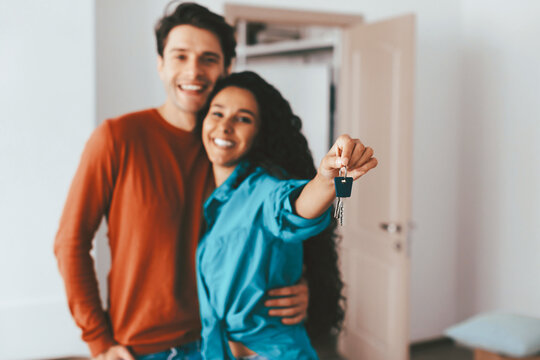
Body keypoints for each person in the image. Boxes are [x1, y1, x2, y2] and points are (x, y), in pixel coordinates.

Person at [54, 3, 310, 359]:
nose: (194, 70)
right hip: (142, 349)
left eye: (208, 58)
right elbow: (70, 242)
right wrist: (99, 341)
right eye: (180, 56)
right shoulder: (117, 138)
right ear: (160, 64)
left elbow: (278, 227)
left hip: (224, 346)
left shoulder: (237, 148)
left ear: (227, 68)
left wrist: (301, 284)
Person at [195, 71, 378, 359]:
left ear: (259, 134)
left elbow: (293, 207)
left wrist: (325, 180)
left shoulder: (264, 189)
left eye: (243, 118)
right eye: (217, 113)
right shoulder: (214, 197)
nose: (225, 126)